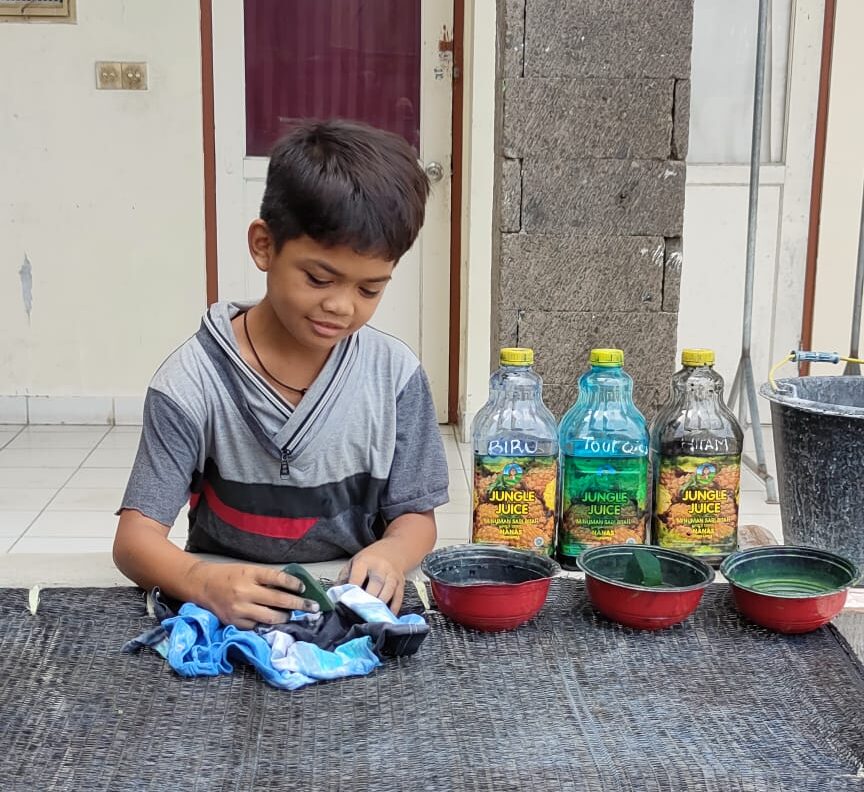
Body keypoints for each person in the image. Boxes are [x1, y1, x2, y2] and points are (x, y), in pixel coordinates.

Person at [113, 119, 449, 629]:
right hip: (227, 604)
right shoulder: (191, 382)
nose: (340, 306)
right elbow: (134, 542)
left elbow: (416, 520)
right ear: (264, 245)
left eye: (370, 289)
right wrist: (202, 582)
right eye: (319, 278)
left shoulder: (395, 376)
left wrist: (392, 555)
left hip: (345, 612)